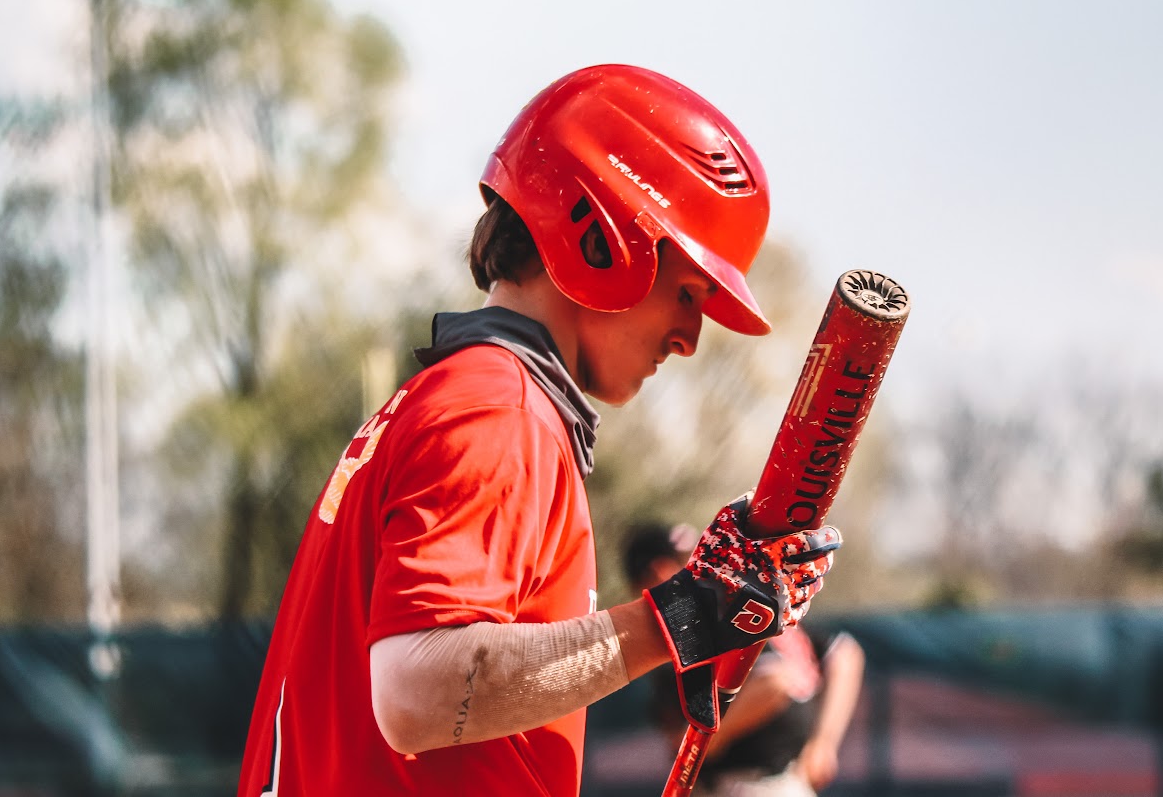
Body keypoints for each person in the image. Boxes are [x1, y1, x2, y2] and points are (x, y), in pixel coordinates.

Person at [235, 63, 844, 796]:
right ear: (604, 242)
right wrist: (683, 616)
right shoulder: (501, 410)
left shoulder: (455, 396)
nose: (690, 337)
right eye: (686, 292)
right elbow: (415, 693)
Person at [623, 522, 866, 797]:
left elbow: (777, 682)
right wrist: (823, 744)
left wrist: (714, 738)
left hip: (756, 784)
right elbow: (843, 654)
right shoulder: (753, 606)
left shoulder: (714, 618)